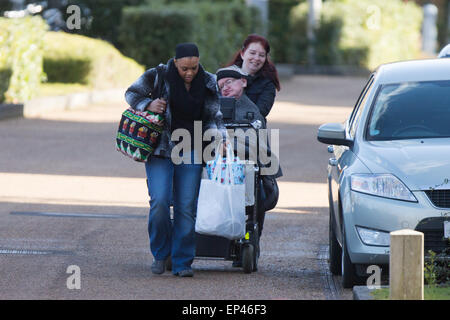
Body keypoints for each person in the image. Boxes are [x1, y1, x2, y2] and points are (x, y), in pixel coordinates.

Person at [125, 43, 225, 277]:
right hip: (160, 148)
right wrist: (147, 104)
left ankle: (182, 262)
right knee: (159, 201)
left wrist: (219, 136)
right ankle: (161, 254)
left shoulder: (209, 82)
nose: (189, 73)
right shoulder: (158, 74)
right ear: (175, 63)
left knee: (186, 207)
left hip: (192, 148)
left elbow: (214, 116)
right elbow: (131, 93)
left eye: (193, 67)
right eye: (184, 69)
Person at [226, 34, 281, 123]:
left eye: (261, 55)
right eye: (252, 53)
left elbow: (260, 113)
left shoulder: (268, 84)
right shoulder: (225, 76)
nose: (256, 58)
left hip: (253, 133)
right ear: (243, 54)